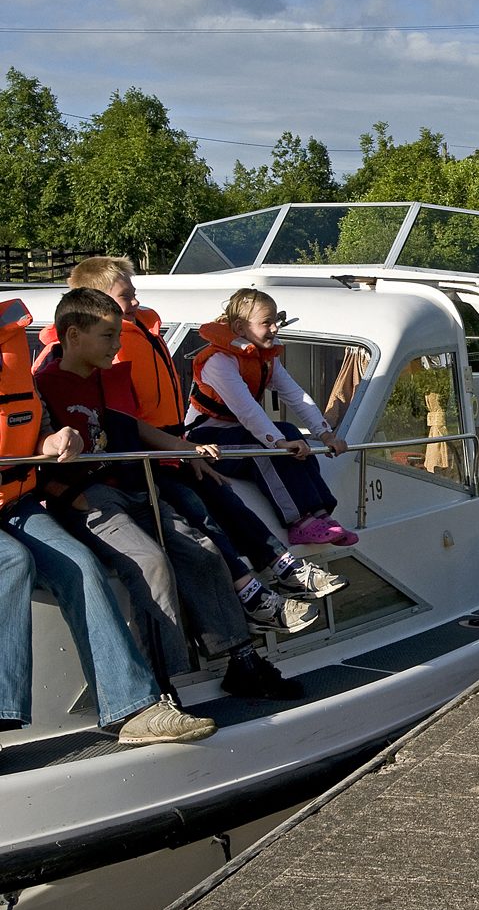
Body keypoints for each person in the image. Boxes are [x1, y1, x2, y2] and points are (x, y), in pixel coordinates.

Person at [39, 257, 346, 626]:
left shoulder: (127, 338)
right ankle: (252, 597)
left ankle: (283, 564)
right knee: (200, 514)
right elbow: (123, 425)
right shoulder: (91, 356)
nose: (135, 303)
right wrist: (180, 450)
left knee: (222, 495)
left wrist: (184, 450)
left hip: (170, 449)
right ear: (95, 303)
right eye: (126, 297)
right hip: (138, 466)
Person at [34, 287, 302, 700]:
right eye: (108, 337)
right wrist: (64, 482)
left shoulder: (107, 379)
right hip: (86, 497)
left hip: (132, 485)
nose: (118, 345)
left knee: (204, 551)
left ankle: (243, 661)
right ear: (72, 337)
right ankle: (158, 686)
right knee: (150, 562)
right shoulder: (45, 385)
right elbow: (39, 447)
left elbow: (137, 429)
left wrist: (186, 448)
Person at [0, 296, 216, 749]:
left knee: (81, 563)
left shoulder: (14, 352)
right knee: (13, 562)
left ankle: (130, 708)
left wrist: (56, 436)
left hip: (13, 504)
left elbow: (33, 422)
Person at [185, 287, 358, 548]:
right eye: (267, 322)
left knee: (291, 430)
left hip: (238, 432)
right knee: (265, 450)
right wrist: (277, 443)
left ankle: (321, 514)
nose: (275, 328)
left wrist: (325, 433)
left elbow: (295, 395)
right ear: (240, 328)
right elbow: (248, 410)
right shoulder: (218, 361)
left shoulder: (265, 358)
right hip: (205, 438)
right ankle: (298, 522)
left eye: (276, 320)